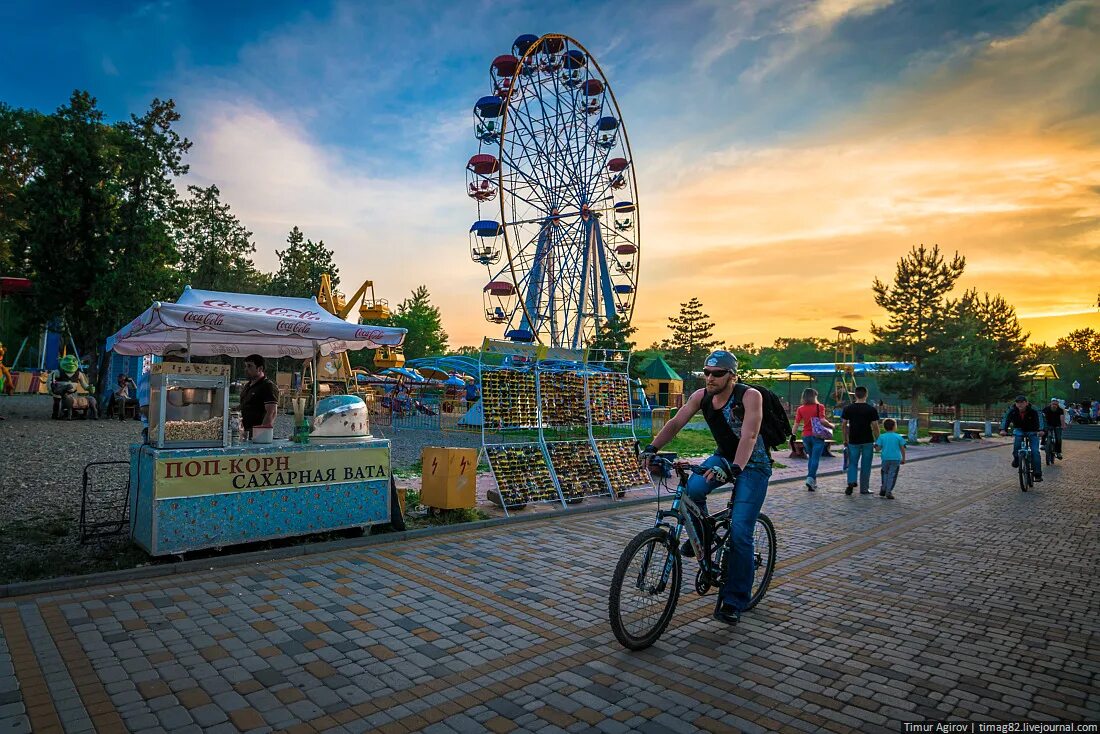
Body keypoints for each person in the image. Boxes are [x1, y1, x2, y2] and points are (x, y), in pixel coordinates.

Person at [639, 350, 771, 626]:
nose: (710, 378)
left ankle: (734, 601)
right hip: (723, 456)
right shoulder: (701, 396)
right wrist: (653, 447)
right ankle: (703, 537)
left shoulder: (749, 396)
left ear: (732, 376)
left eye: (717, 374)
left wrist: (735, 469)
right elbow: (676, 422)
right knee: (692, 491)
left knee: (740, 533)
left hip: (753, 465)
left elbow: (750, 435)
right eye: (706, 373)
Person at [841, 386, 880, 495]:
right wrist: (878, 440)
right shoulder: (871, 409)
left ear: (855, 395)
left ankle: (851, 482)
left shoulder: (848, 408)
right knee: (866, 464)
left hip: (853, 440)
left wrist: (845, 439)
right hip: (867, 439)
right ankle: (864, 488)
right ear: (866, 395)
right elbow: (875, 426)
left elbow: (843, 424)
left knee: (852, 462)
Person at [792, 387, 832, 492]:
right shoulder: (820, 407)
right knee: (815, 458)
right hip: (817, 436)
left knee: (811, 458)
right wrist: (832, 426)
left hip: (805, 436)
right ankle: (810, 478)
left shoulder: (800, 409)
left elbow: (796, 423)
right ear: (814, 396)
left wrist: (793, 435)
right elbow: (822, 421)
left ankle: (813, 481)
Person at [1000, 395, 1045, 482]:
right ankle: (1017, 459)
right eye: (1018, 403)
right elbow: (1006, 419)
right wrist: (1003, 429)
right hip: (1019, 429)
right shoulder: (1012, 410)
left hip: (1032, 430)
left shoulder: (1034, 410)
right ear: (1015, 404)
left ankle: (1037, 474)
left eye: (1022, 402)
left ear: (1026, 403)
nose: (1020, 404)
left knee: (1035, 451)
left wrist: (1041, 430)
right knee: (1017, 445)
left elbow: (1040, 419)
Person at [239, 354, 279, 439]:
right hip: (245, 433)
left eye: (249, 366)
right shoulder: (248, 386)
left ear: (260, 368)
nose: (246, 369)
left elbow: (271, 413)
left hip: (257, 435)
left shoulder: (267, 386)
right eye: (245, 366)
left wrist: (260, 435)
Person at [50, 354, 98, 420]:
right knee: (57, 403)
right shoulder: (57, 372)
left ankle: (71, 414)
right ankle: (56, 415)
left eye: (73, 361)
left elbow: (84, 384)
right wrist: (51, 389)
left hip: (72, 393)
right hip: (59, 391)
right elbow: (50, 381)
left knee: (73, 404)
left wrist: (89, 388)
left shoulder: (79, 374)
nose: (70, 362)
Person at [874, 418, 907, 499]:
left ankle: (883, 488)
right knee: (892, 475)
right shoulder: (898, 437)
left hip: (885, 459)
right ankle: (888, 491)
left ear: (884, 427)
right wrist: (903, 458)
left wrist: (875, 445)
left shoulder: (882, 437)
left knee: (884, 474)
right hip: (896, 459)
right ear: (894, 427)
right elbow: (903, 448)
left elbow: (877, 449)